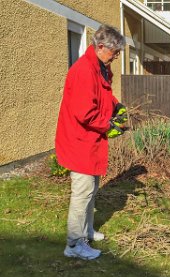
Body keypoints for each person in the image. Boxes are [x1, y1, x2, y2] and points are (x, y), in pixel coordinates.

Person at [55, 24, 126, 260]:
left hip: (90, 141)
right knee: (82, 193)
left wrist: (116, 105)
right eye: (115, 52)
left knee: (91, 191)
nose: (117, 56)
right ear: (101, 46)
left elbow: (102, 94)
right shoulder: (84, 70)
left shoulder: (99, 68)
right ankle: (74, 244)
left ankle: (86, 232)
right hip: (80, 141)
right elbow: (85, 112)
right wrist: (109, 125)